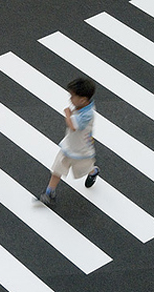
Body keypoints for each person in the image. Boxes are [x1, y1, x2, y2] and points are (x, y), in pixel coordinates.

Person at [39, 77, 100, 205]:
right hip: (69, 147)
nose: (70, 99)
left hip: (82, 150)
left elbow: (72, 126)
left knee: (84, 168)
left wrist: (67, 113)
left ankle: (93, 171)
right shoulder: (83, 106)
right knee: (57, 168)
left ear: (83, 99)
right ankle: (50, 192)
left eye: (72, 96)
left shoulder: (87, 114)